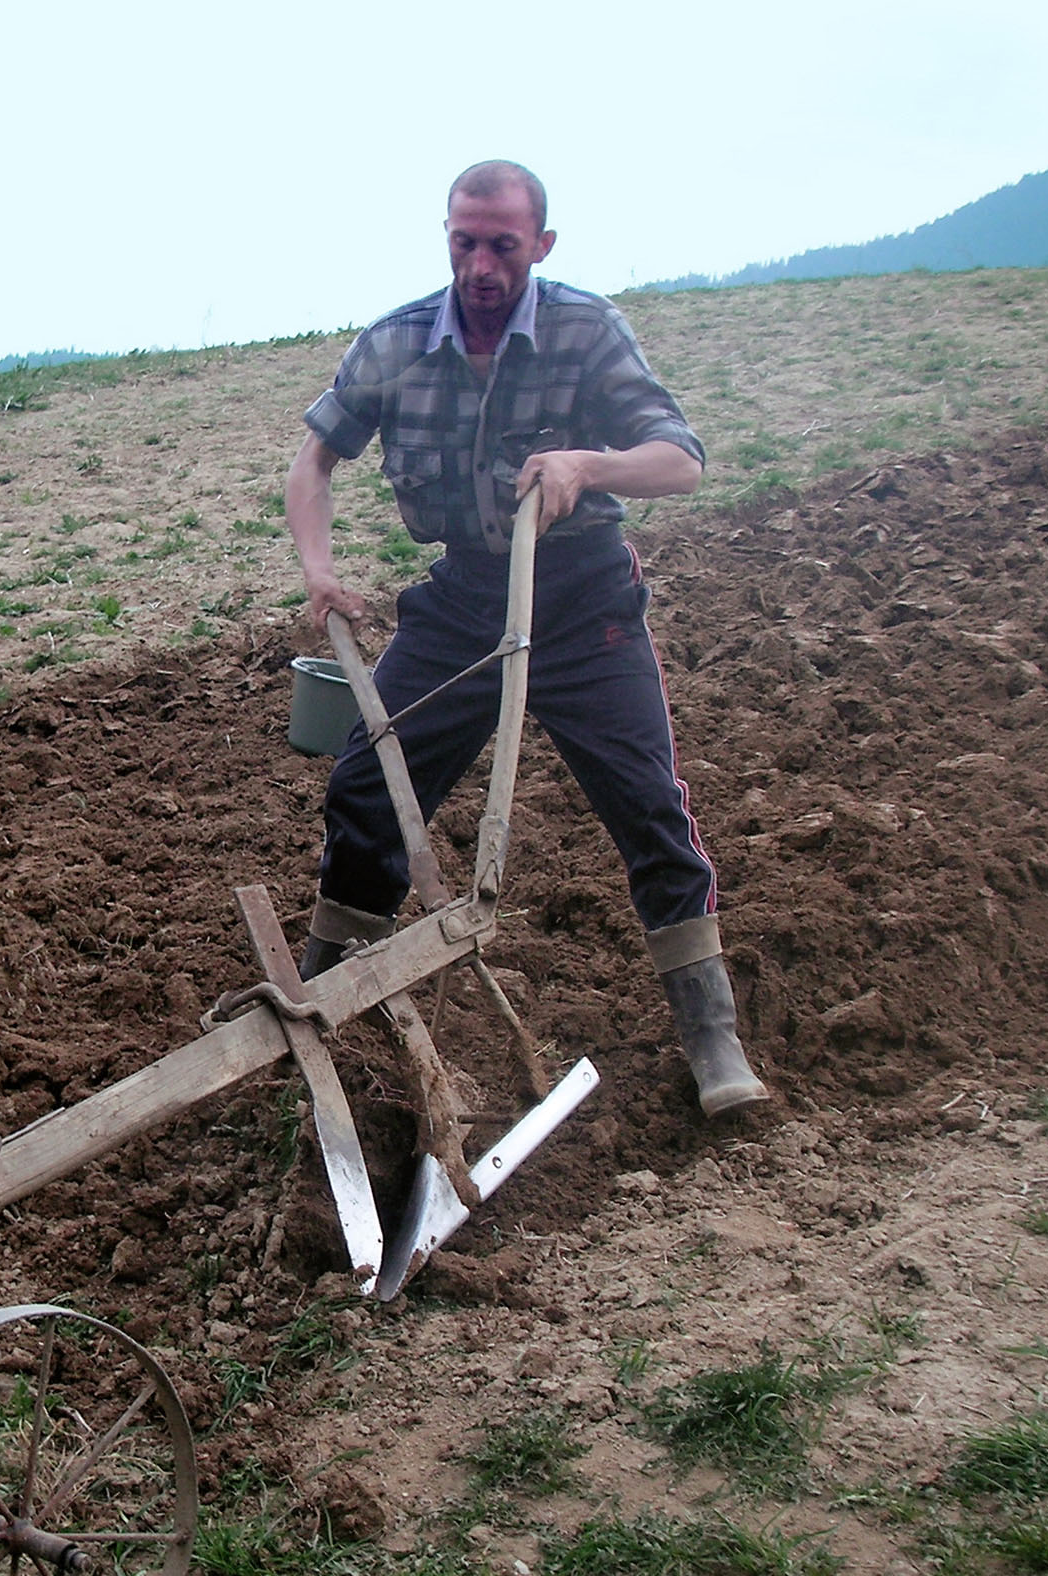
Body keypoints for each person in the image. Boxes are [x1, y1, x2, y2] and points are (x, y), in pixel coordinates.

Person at [285, 160, 769, 1118]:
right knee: (369, 785)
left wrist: (592, 463)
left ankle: (711, 1034)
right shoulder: (394, 346)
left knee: (646, 805)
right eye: (463, 241)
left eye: (502, 244)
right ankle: (320, 1000)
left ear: (540, 246)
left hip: (583, 600)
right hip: (468, 596)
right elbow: (314, 461)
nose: (480, 263)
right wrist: (319, 567)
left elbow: (682, 460)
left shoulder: (587, 330)